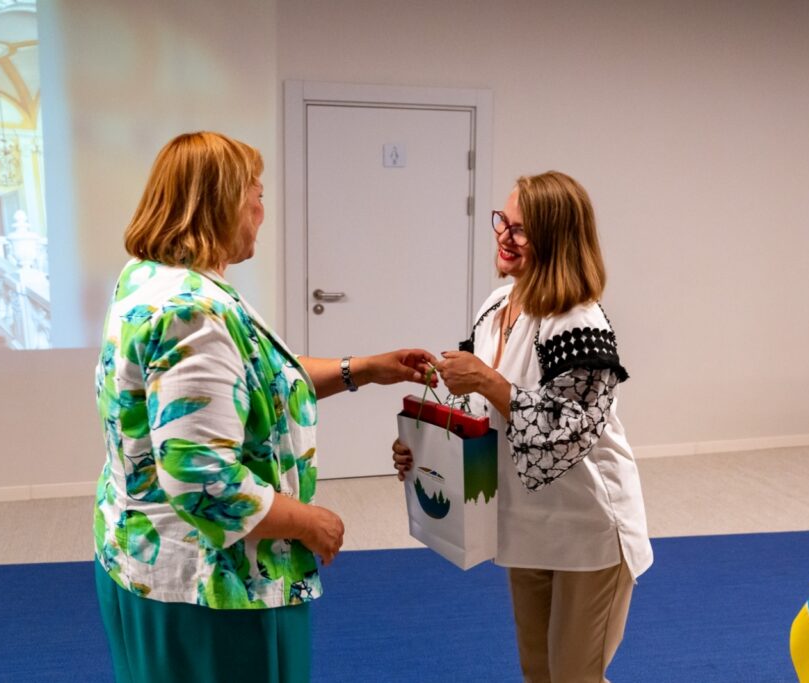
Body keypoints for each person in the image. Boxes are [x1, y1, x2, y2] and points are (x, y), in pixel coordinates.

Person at [94, 131, 436, 683]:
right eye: (256, 195)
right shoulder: (193, 314)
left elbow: (253, 384)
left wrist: (365, 369)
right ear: (223, 204)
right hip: (210, 590)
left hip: (149, 560)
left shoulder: (148, 279)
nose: (261, 211)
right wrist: (309, 523)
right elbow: (204, 482)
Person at [394, 171, 653, 683]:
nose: (504, 237)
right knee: (538, 673)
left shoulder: (579, 323)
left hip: (588, 530)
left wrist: (488, 381)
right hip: (526, 524)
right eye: (503, 221)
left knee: (575, 676)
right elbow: (476, 410)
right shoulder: (496, 306)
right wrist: (421, 444)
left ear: (556, 240)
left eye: (521, 230)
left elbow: (565, 433)